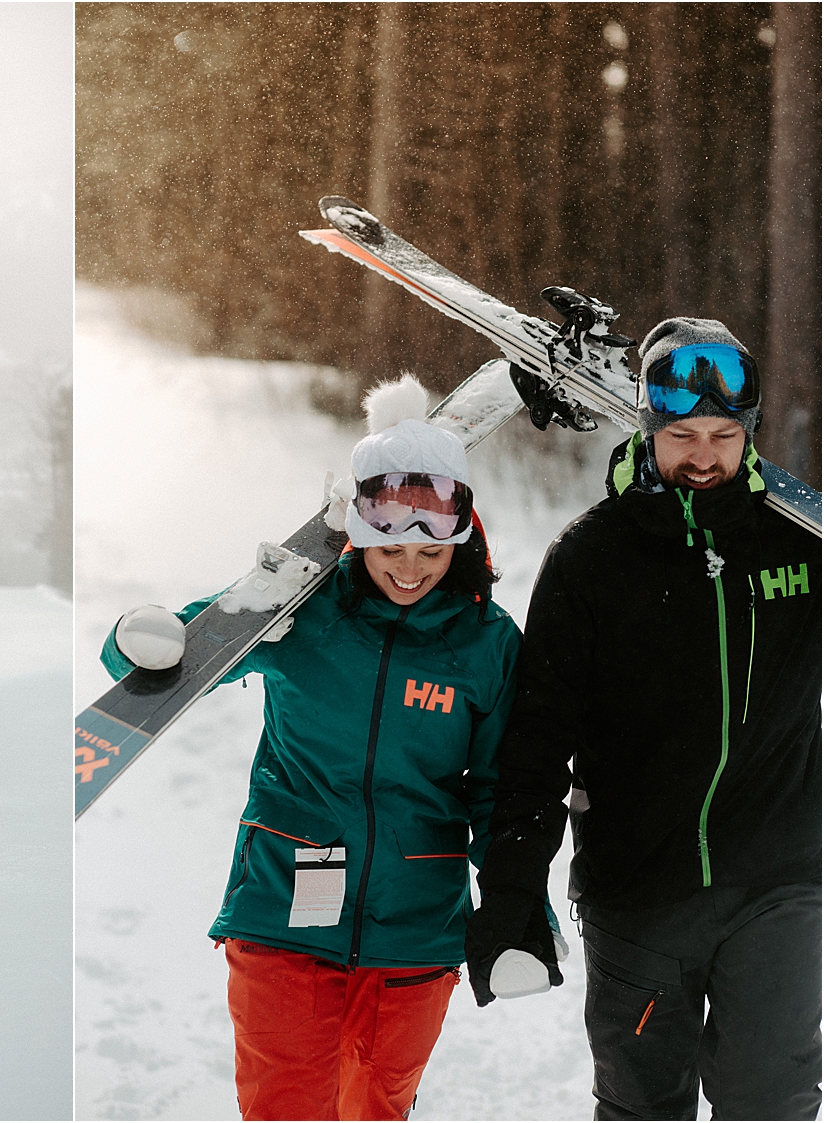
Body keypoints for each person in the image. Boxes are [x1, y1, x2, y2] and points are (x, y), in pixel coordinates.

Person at [102, 376, 531, 1121]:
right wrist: (133, 643)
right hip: (283, 913)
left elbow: (502, 790)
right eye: (389, 544)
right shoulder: (301, 613)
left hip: (417, 930)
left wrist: (519, 907)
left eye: (429, 550)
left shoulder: (487, 643)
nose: (408, 566)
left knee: (375, 1111)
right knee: (287, 1109)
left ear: (459, 535)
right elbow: (172, 656)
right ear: (358, 531)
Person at [465, 318, 821, 1120]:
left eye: (726, 434)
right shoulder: (590, 560)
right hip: (639, 896)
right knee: (642, 1109)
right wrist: (512, 889)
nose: (705, 454)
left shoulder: (800, 544)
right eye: (684, 434)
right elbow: (536, 742)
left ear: (749, 434)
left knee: (775, 1105)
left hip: (781, 884)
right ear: (647, 429)